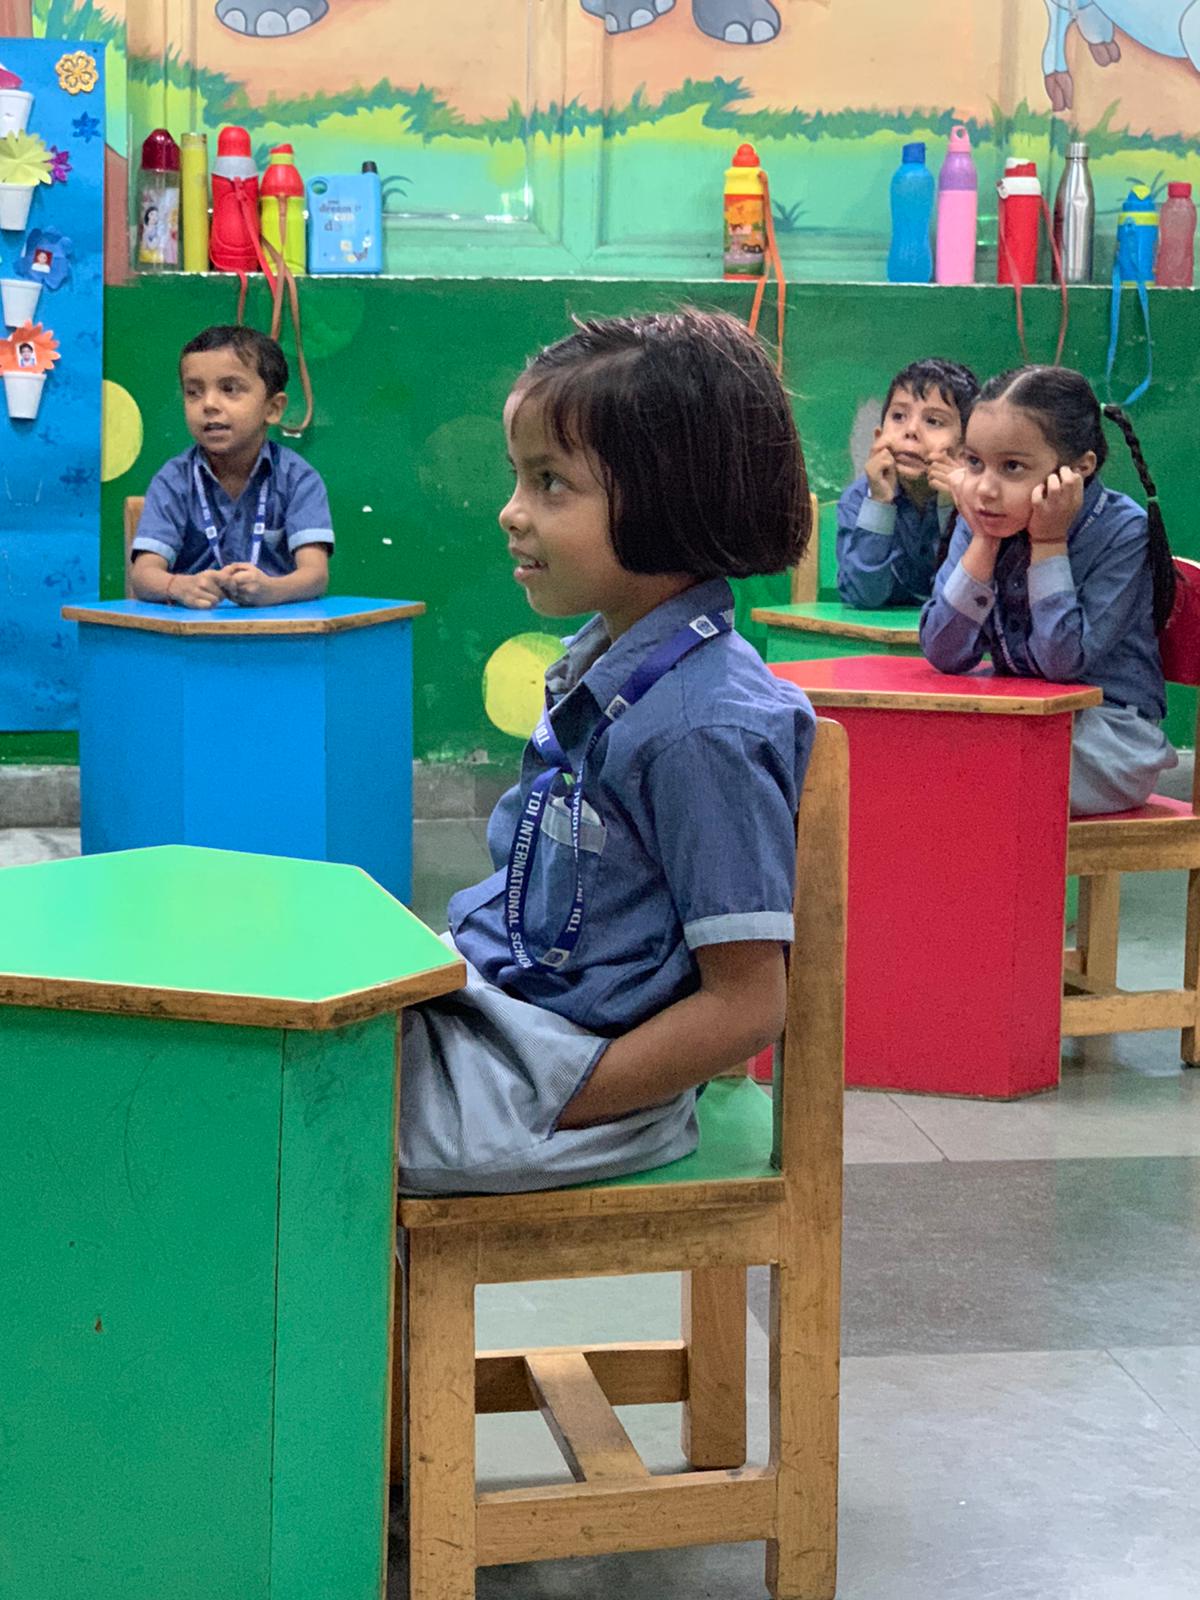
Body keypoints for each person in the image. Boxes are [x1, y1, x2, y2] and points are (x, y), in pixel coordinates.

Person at [399, 309, 816, 1194]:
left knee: (298, 1120)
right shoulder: (615, 665)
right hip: (508, 1008)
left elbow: (747, 1006)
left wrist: (558, 1104)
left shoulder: (705, 729)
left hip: (574, 1074)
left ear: (672, 497)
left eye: (551, 484)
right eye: (519, 478)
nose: (512, 512)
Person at [920, 364, 1177, 816]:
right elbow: (943, 650)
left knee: (957, 784)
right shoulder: (985, 519)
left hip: (1108, 738)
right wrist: (982, 540)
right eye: (974, 463)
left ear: (1078, 469)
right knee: (913, 756)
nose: (984, 489)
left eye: (1012, 467)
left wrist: (1049, 543)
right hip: (1019, 721)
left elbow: (1062, 662)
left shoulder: (1123, 532)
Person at [130, 325, 332, 609]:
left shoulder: (299, 479)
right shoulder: (173, 480)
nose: (209, 404)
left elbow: (315, 575)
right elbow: (142, 576)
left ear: (273, 408)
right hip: (193, 634)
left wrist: (272, 590)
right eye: (193, 392)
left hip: (277, 635)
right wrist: (179, 586)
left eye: (230, 389)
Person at [836, 356, 979, 608]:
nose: (910, 430)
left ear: (964, 452)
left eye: (933, 421)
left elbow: (962, 602)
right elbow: (863, 596)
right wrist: (880, 503)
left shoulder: (982, 502)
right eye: (899, 416)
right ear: (878, 437)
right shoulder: (861, 498)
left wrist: (951, 509)